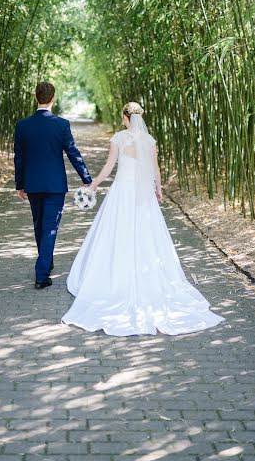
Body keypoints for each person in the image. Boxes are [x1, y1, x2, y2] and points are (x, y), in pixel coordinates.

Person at [62, 102, 225, 336]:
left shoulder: (118, 138)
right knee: (147, 236)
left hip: (122, 192)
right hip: (144, 195)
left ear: (125, 117)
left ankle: (115, 279)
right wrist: (158, 189)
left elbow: (109, 167)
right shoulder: (150, 140)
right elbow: (155, 169)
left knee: (117, 234)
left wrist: (93, 185)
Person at [14, 81, 92, 289]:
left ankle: (45, 261)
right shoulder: (61, 124)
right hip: (55, 185)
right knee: (49, 228)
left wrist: (19, 185)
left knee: (39, 225)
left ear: (35, 97)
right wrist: (87, 179)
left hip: (33, 184)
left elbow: (19, 158)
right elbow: (73, 153)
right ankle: (41, 275)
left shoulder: (23, 126)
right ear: (53, 98)